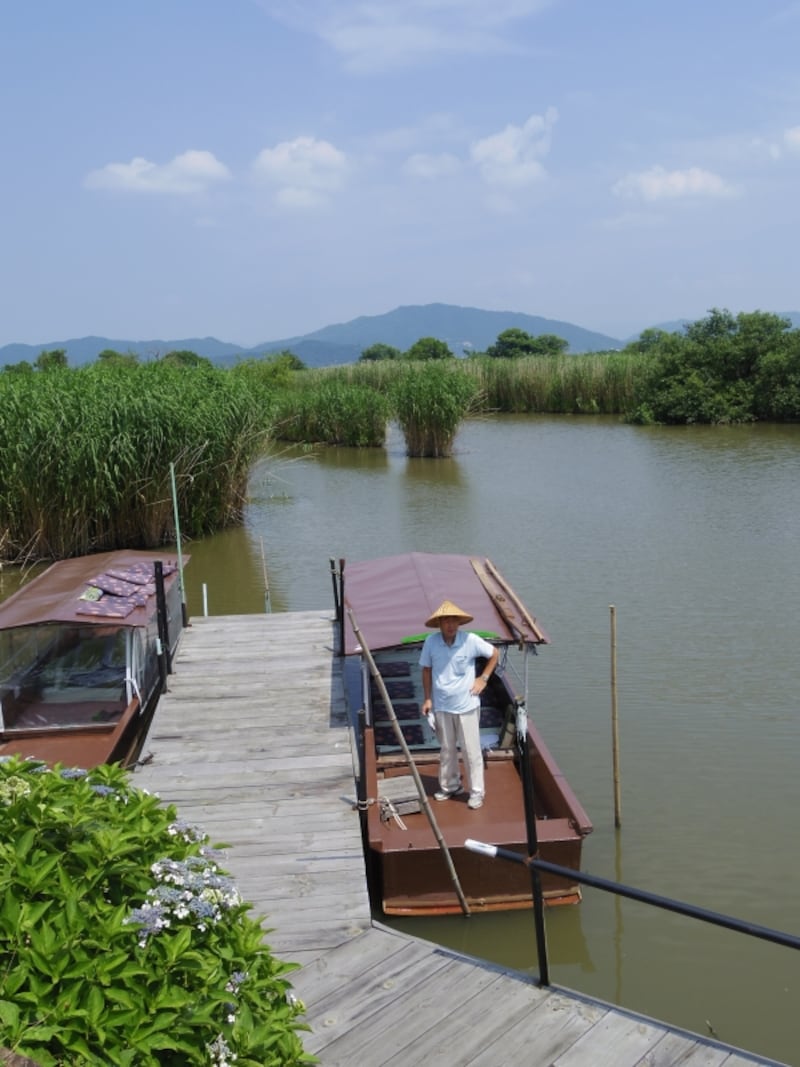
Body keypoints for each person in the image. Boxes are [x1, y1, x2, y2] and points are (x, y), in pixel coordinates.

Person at [419, 600, 498, 811]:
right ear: (439, 624)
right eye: (446, 621)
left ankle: (477, 792)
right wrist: (428, 699)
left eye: (454, 620)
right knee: (447, 750)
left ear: (459, 622)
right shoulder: (431, 642)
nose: (450, 625)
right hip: (443, 706)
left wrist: (484, 678)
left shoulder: (470, 640)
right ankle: (450, 786)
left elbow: (494, 654)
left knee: (472, 752)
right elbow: (426, 670)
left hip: (467, 706)